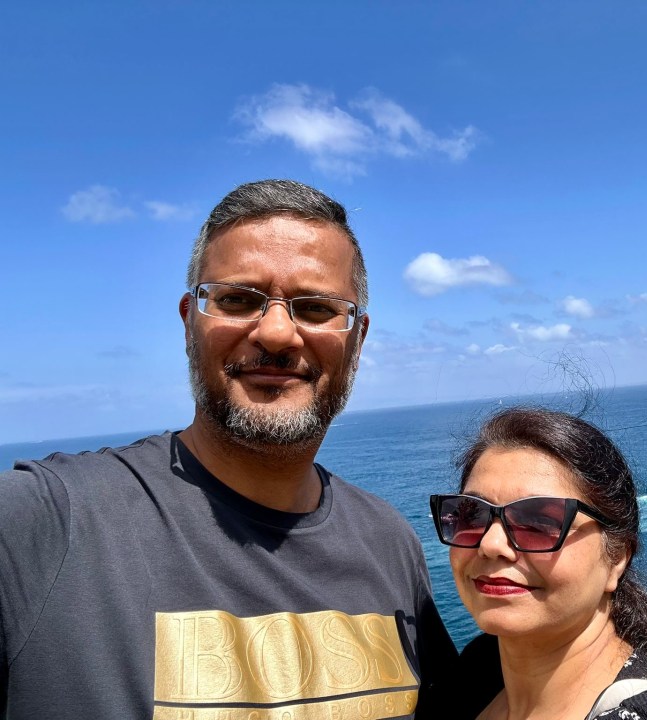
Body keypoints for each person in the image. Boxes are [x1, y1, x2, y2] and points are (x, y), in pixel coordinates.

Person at [0, 179, 455, 719]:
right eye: (238, 300)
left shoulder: (389, 543)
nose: (278, 333)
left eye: (315, 308)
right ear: (189, 322)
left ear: (356, 340)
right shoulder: (45, 524)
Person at [429, 407, 647, 719]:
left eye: (538, 521)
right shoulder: (474, 674)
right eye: (472, 513)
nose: (491, 544)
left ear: (617, 557)